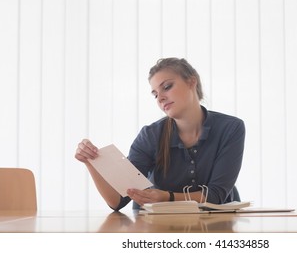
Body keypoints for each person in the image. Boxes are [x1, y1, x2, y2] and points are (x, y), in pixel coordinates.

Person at [75, 57, 245, 211]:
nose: (160, 98)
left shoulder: (230, 128)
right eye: (155, 94)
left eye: (167, 87)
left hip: (217, 223)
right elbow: (118, 201)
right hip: (159, 227)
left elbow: (216, 195)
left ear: (191, 82)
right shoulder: (150, 135)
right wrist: (90, 162)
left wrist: (167, 197)